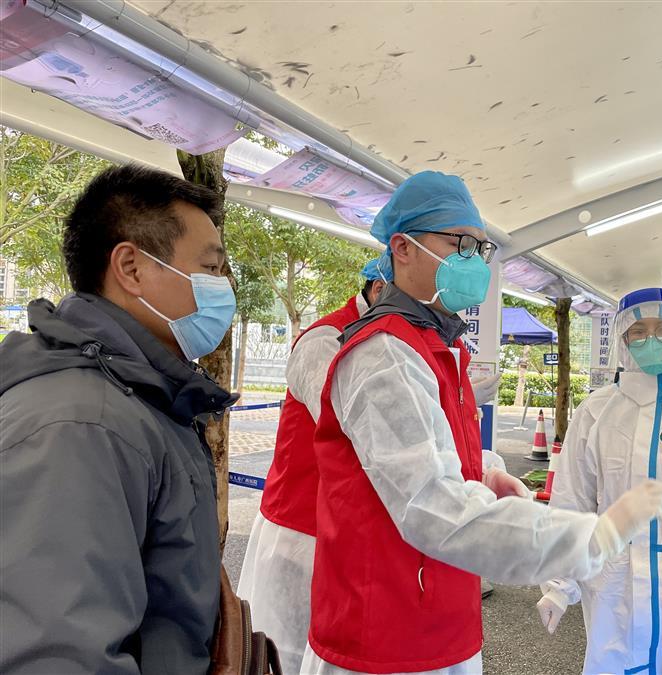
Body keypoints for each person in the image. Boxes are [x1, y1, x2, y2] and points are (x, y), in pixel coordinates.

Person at [299, 172, 662, 675]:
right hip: (386, 633)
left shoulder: (437, 347)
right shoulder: (384, 356)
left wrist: (483, 474)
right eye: (460, 244)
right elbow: (431, 506)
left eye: (481, 249)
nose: (475, 261)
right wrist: (591, 537)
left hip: (437, 613)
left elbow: (423, 459)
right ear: (402, 248)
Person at [0, 165, 236, 674]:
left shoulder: (139, 396)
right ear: (130, 268)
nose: (225, 287)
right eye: (212, 268)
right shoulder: (84, 425)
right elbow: (60, 656)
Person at [536, 287, 662, 675]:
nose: (652, 340)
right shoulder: (597, 412)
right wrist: (559, 585)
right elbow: (571, 501)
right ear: (623, 339)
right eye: (639, 331)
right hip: (616, 582)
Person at [236, 260, 388, 674]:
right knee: (283, 651)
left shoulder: (387, 338)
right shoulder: (324, 339)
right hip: (301, 529)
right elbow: (357, 422)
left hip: (346, 528)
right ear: (379, 289)